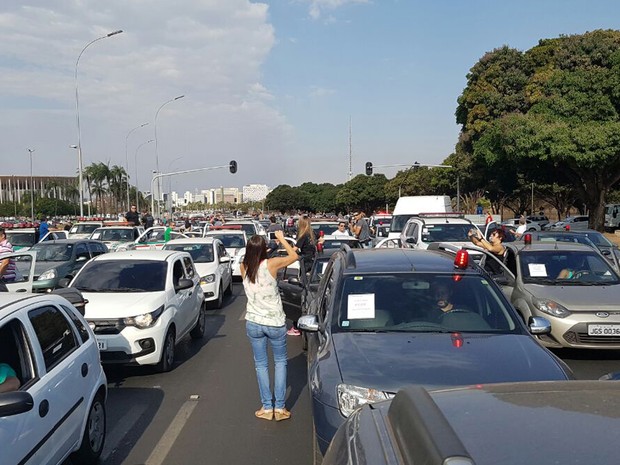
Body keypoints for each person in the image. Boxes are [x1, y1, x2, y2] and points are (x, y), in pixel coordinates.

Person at [241, 230, 298, 421]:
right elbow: (294, 256)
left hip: (254, 323)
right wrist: (281, 239)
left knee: (261, 365)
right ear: (265, 249)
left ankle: (267, 407)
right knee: (280, 362)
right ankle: (280, 408)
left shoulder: (244, 266)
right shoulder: (272, 264)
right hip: (274, 322)